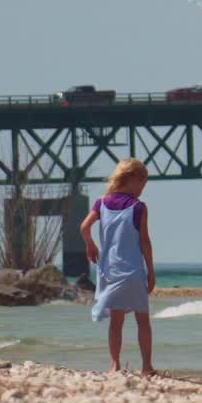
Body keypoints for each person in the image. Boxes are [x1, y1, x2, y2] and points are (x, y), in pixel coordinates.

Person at [80, 158, 157, 374]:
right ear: (132, 179)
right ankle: (147, 367)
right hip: (133, 271)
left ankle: (114, 364)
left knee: (116, 321)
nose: (142, 189)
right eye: (142, 183)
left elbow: (84, 227)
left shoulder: (101, 202)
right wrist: (151, 272)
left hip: (111, 271)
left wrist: (90, 246)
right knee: (143, 320)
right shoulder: (138, 207)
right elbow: (145, 242)